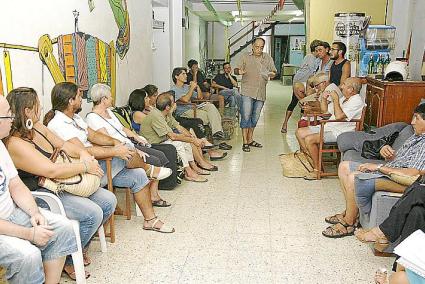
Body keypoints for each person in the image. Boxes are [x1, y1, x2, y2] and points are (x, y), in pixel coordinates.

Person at [5, 87, 117, 280]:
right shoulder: (15, 144)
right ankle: (67, 259)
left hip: (63, 181)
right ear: (28, 111)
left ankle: (75, 249)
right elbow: (50, 170)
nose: (41, 109)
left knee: (108, 201)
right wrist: (84, 166)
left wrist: (83, 153)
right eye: (37, 106)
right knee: (92, 213)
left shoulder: (36, 127)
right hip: (44, 191)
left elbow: (62, 144)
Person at [44, 82, 175, 234]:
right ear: (70, 101)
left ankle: (150, 220)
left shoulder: (76, 118)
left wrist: (115, 142)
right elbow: (81, 151)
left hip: (101, 164)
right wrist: (114, 150)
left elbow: (93, 135)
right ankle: (150, 169)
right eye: (79, 96)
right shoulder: (59, 124)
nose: (82, 99)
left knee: (137, 175)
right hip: (87, 172)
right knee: (125, 153)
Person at [0, 94, 78, 284]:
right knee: (28, 255)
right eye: (7, 115)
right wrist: (29, 234)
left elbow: (16, 184)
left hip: (11, 214)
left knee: (63, 228)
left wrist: (34, 212)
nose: (12, 119)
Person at [323, 104, 425, 238]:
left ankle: (349, 222)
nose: (412, 122)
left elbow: (414, 174)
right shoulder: (416, 136)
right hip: (392, 171)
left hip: (404, 181)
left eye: (416, 118)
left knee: (354, 177)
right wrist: (386, 152)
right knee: (344, 167)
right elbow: (401, 159)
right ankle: (351, 212)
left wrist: (378, 167)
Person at [86, 83, 173, 207]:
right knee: (155, 159)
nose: (112, 99)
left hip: (129, 144)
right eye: (110, 97)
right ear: (103, 99)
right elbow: (107, 141)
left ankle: (153, 193)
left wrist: (137, 138)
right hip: (120, 152)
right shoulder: (93, 118)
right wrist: (135, 149)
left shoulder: (109, 112)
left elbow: (122, 129)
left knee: (160, 155)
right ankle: (152, 192)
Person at [141, 92, 219, 182]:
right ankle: (188, 172)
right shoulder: (156, 115)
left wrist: (193, 138)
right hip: (151, 143)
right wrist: (193, 140)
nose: (175, 104)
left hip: (162, 140)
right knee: (178, 143)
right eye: (173, 102)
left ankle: (193, 167)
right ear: (167, 107)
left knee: (186, 142)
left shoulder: (166, 114)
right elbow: (173, 137)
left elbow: (179, 127)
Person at [295, 77, 364, 180]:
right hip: (330, 127)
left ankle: (317, 170)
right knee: (299, 132)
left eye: (344, 84)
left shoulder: (356, 101)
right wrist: (323, 99)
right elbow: (325, 112)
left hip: (341, 132)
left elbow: (339, 116)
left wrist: (335, 100)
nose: (341, 86)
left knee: (309, 139)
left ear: (351, 89)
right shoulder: (344, 98)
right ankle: (314, 162)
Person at [234, 37, 277, 152]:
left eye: (261, 47)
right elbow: (236, 70)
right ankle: (244, 142)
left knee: (255, 117)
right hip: (247, 91)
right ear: (252, 46)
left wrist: (272, 74)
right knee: (246, 116)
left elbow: (274, 71)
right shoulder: (245, 56)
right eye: (257, 47)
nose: (259, 49)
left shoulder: (267, 57)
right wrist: (239, 71)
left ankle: (250, 139)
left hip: (261, 93)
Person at [171, 67, 228, 143]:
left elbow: (200, 97)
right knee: (212, 115)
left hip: (194, 108)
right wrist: (191, 88)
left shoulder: (186, 87)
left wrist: (197, 87)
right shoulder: (174, 89)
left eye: (185, 74)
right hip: (185, 112)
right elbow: (185, 100)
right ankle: (216, 134)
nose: (186, 76)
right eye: (183, 74)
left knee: (211, 106)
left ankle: (217, 133)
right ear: (176, 76)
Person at [281, 39, 321, 133]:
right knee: (296, 102)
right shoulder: (310, 57)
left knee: (304, 103)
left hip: (306, 83)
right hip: (300, 81)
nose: (320, 52)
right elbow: (313, 71)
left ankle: (302, 123)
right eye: (318, 50)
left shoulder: (316, 58)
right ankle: (285, 124)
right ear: (315, 49)